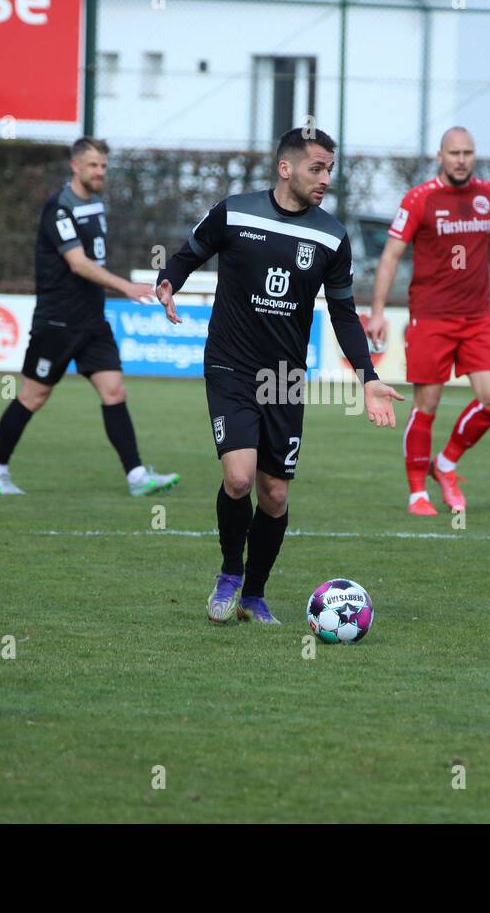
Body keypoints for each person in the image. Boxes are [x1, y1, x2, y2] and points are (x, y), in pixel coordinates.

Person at [155, 127, 403, 625]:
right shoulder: (235, 211)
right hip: (231, 364)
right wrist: (168, 284)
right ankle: (229, 574)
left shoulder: (332, 236)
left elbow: (343, 313)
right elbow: (188, 253)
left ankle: (254, 594)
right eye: (317, 168)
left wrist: (368, 377)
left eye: (330, 169)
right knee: (240, 477)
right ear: (285, 168)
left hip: (285, 377)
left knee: (275, 495)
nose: (325, 178)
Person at [0, 137, 179, 497]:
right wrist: (126, 286)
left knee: (114, 391)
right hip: (57, 322)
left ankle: (136, 477)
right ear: (75, 166)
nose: (100, 171)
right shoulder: (59, 208)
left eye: (103, 165)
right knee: (32, 396)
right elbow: (78, 263)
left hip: (92, 321)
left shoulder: (95, 203)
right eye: (93, 165)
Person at [367, 127, 490, 517]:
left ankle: (447, 463)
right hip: (431, 316)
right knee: (428, 404)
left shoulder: (489, 195)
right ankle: (417, 492)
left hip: (477, 316)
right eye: (454, 152)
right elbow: (390, 256)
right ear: (440, 156)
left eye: (468, 152)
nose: (461, 159)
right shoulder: (420, 199)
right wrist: (377, 311)